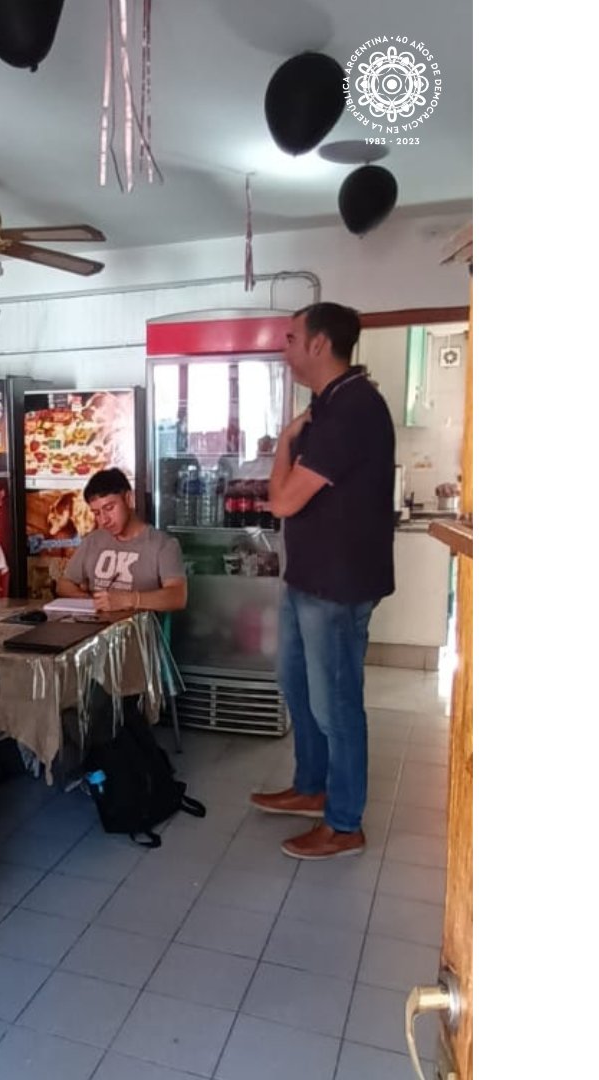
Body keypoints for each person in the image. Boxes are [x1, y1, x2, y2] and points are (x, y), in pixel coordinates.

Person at [250, 302, 395, 860]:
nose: (283, 349)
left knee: (336, 705)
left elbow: (283, 501)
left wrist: (284, 443)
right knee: (298, 687)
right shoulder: (328, 404)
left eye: (290, 338)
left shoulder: (352, 408)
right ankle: (312, 787)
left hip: (337, 586)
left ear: (318, 344)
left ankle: (344, 823)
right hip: (307, 579)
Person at [57, 468, 187, 614]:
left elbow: (177, 597)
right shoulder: (92, 540)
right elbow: (64, 584)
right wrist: (91, 602)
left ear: (129, 499)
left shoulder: (163, 545)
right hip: (95, 625)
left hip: (138, 626)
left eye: (109, 508)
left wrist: (128, 600)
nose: (104, 520)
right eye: (97, 513)